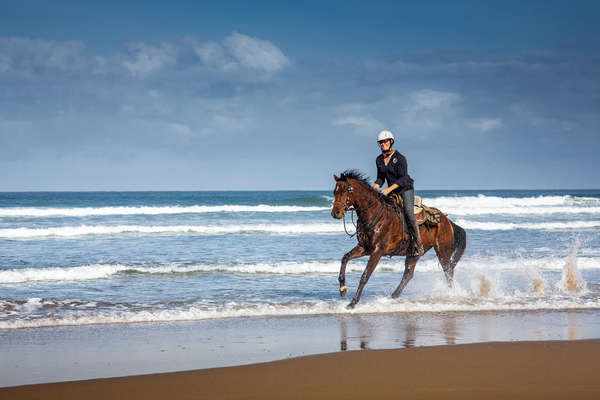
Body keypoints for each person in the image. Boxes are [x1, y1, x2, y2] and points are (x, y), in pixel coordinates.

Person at [372, 130, 425, 256]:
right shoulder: (379, 160)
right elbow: (381, 178)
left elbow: (403, 178)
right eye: (381, 142)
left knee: (408, 213)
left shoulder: (400, 158)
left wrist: (389, 189)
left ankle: (418, 244)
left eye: (385, 141)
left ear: (391, 142)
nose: (383, 144)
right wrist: (373, 189)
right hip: (392, 191)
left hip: (405, 189)